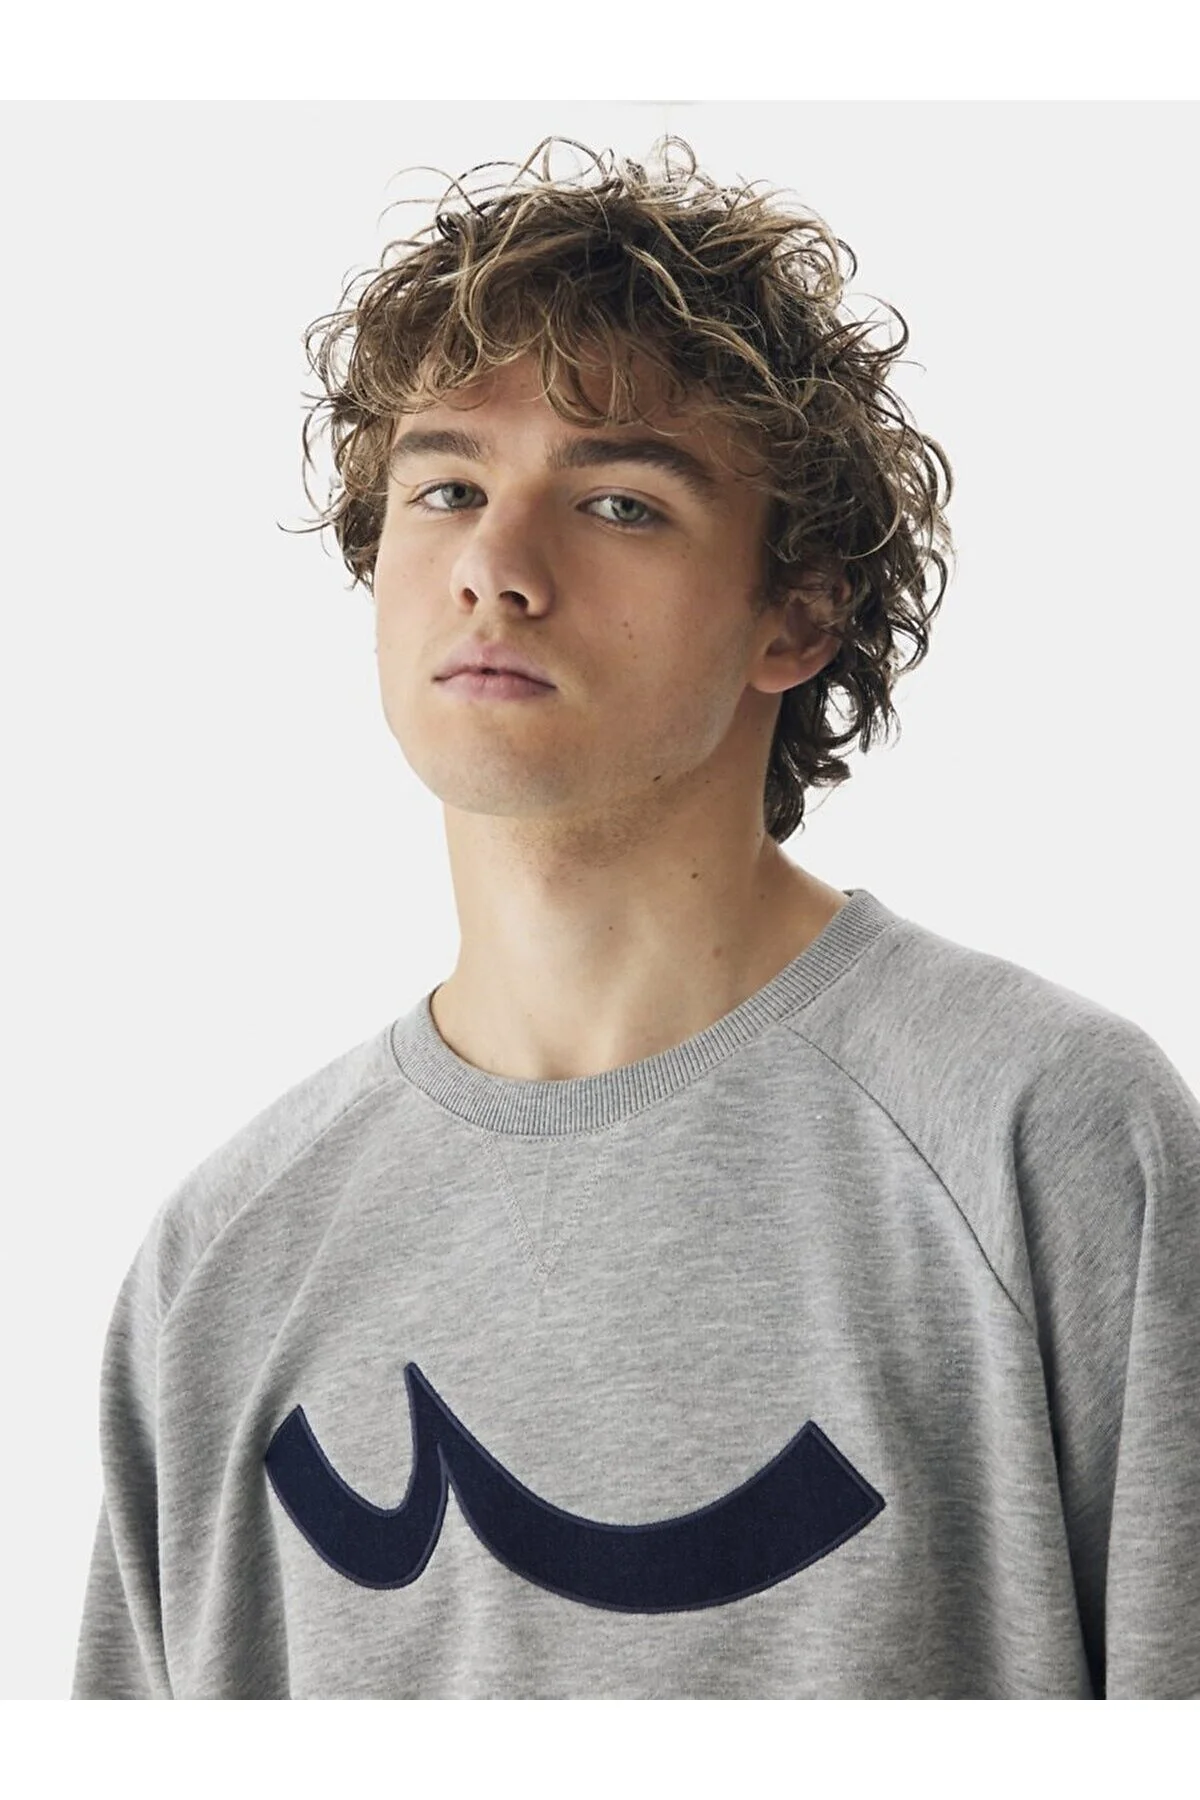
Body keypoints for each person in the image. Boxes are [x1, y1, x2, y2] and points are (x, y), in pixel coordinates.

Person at [71, 135, 1200, 1699]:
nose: (495, 566)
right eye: (446, 487)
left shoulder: (1045, 1137)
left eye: (618, 504)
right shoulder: (223, 1260)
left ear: (797, 613)